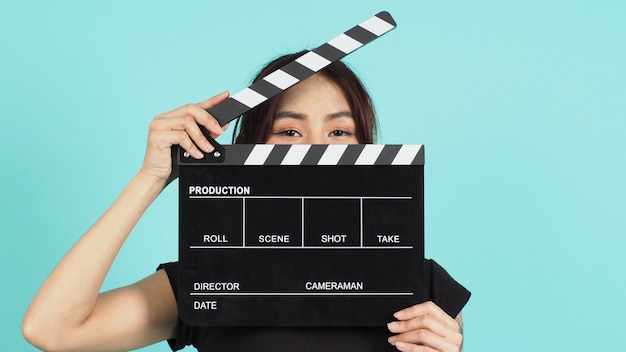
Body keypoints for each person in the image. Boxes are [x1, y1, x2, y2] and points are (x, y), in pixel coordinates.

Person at [22, 51, 470, 352]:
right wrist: (151, 177)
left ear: (366, 150)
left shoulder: (418, 283)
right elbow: (52, 329)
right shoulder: (209, 280)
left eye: (339, 131)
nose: (314, 150)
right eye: (289, 131)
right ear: (253, 152)